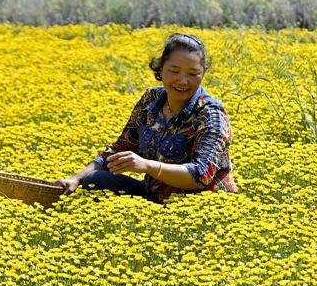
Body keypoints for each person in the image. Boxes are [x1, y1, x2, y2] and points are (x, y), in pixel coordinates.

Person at [55, 33, 237, 203]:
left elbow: (201, 176)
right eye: (174, 71)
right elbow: (121, 148)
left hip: (204, 207)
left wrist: (148, 166)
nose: (183, 81)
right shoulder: (151, 99)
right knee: (92, 180)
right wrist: (76, 178)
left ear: (203, 73)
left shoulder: (211, 115)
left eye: (193, 74)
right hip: (155, 197)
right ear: (161, 67)